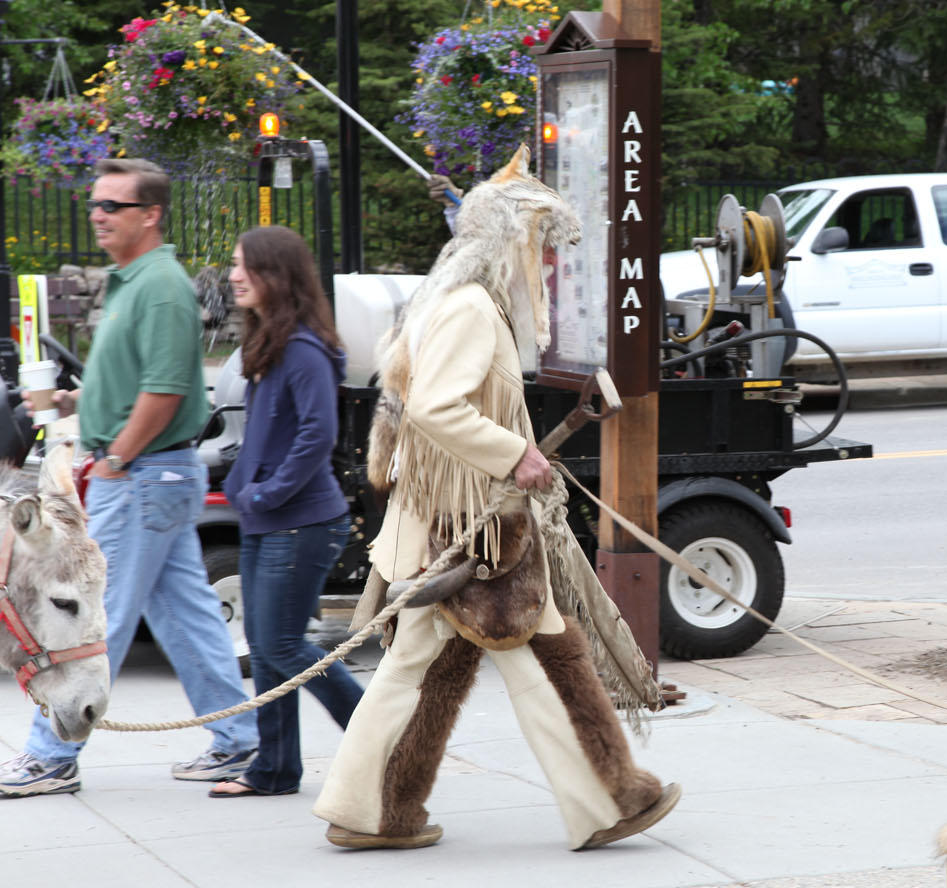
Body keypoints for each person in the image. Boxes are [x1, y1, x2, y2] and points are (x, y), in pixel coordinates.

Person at [313, 145, 679, 850]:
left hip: (460, 530)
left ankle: (377, 810)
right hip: (472, 533)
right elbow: (434, 410)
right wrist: (518, 454)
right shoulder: (472, 309)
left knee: (431, 670)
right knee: (545, 660)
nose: (546, 264)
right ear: (511, 241)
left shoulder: (452, 300)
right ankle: (609, 799)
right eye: (541, 247)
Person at [0, 158, 259, 797]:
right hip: (149, 477)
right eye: (96, 203)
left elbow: (166, 391)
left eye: (113, 205)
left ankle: (51, 757)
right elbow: (130, 387)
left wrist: (114, 458)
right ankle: (238, 741)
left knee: (91, 614)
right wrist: (71, 406)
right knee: (187, 616)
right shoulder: (132, 282)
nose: (98, 214)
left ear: (150, 215)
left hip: (143, 476)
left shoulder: (161, 286)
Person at [207, 226, 366, 798]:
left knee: (281, 647)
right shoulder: (272, 342)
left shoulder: (303, 348)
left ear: (277, 274)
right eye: (233, 264)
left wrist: (266, 492)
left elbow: (317, 434)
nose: (233, 275)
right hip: (266, 519)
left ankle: (381, 737)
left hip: (298, 521)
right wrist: (249, 491)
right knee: (270, 649)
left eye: (244, 265)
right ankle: (273, 771)